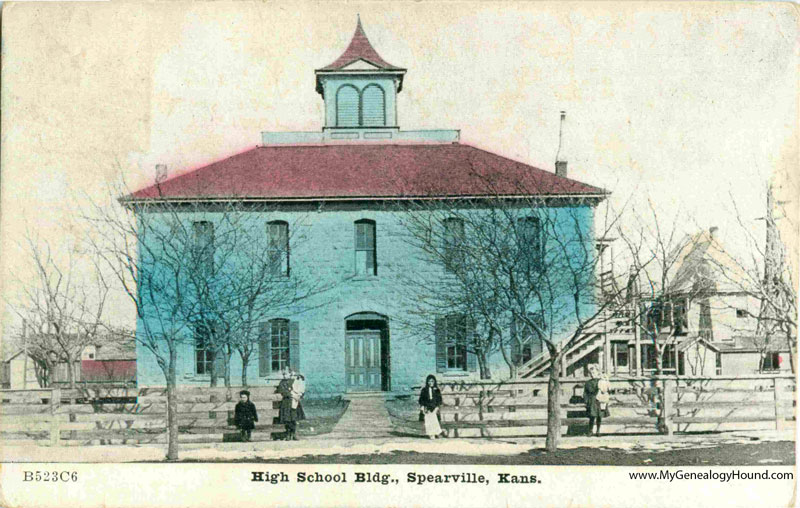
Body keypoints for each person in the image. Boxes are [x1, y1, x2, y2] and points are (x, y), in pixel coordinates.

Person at [278, 367, 306, 441]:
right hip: (286, 403)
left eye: (286, 373)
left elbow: (301, 389)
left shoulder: (295, 381)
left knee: (294, 419)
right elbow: (283, 391)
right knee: (287, 419)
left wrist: (299, 395)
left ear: (290, 373)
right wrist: (292, 395)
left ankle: (294, 433)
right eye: (283, 374)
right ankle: (288, 433)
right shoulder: (282, 382)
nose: (284, 375)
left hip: (295, 403)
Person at [583, 364, 611, 437]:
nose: (592, 375)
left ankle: (598, 431)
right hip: (592, 401)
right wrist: (586, 401)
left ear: (598, 373)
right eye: (591, 373)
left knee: (599, 416)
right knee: (592, 416)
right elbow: (585, 392)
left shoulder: (601, 381)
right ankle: (590, 431)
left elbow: (606, 389)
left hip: (599, 400)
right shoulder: (588, 382)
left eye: (594, 373)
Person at [418, 374, 444, 439]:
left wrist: (437, 408)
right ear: (427, 382)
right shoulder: (424, 390)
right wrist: (423, 408)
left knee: (434, 420)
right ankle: (431, 434)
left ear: (434, 382)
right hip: (427, 408)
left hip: (434, 408)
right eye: (429, 381)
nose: (430, 383)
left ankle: (436, 433)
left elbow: (439, 400)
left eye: (432, 381)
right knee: (428, 421)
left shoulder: (437, 390)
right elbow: (421, 400)